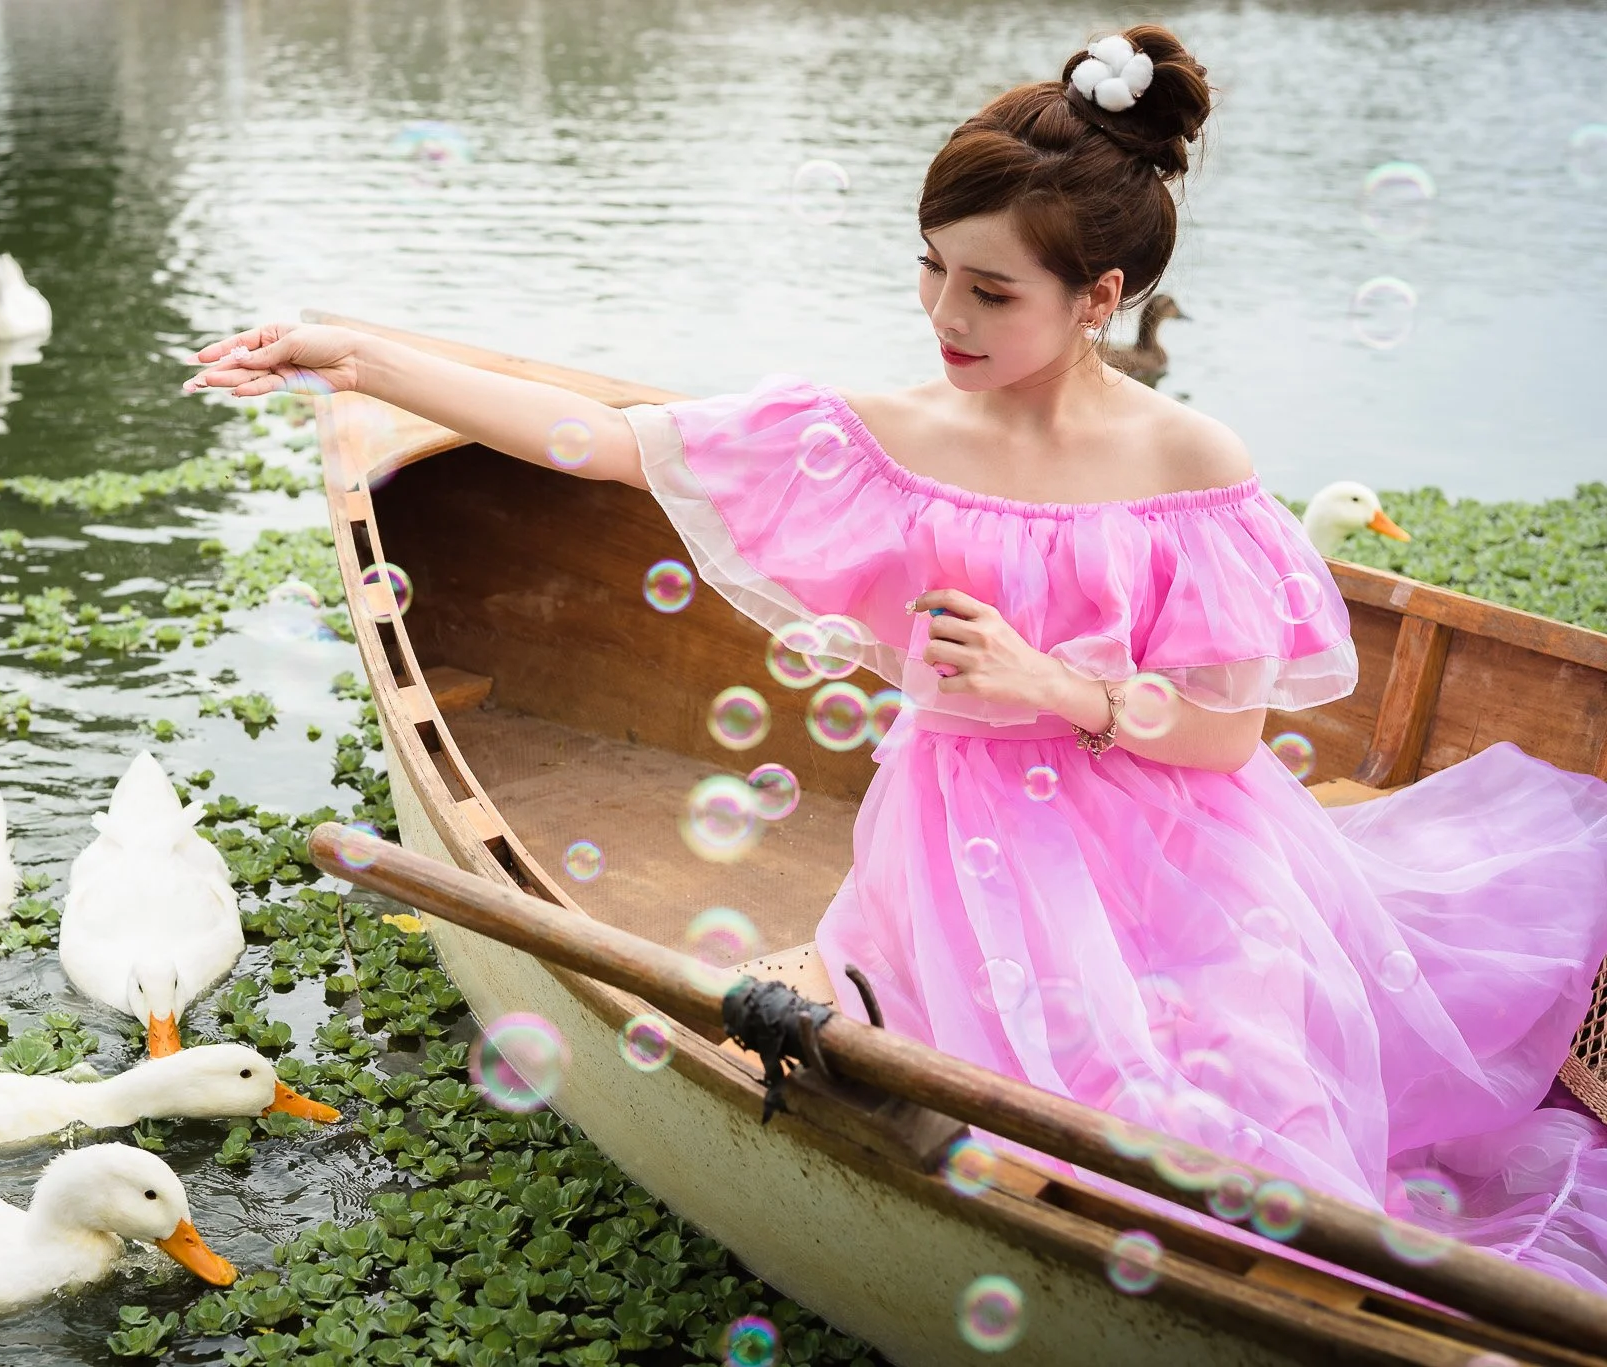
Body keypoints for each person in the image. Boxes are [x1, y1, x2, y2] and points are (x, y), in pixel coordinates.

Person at [184, 25, 1607, 1291]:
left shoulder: (1191, 463)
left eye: (992, 292)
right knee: (1119, 1136)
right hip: (969, 849)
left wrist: (1059, 688)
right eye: (931, 270)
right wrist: (355, 357)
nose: (944, 317)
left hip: (1192, 849)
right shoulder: (890, 434)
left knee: (1261, 1153)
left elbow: (1229, 735)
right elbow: (608, 442)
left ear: (1098, 295)